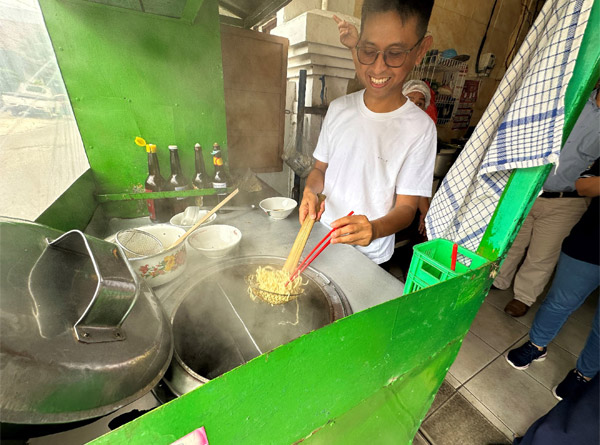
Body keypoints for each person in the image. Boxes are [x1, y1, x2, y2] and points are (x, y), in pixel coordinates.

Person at [299, 0, 436, 268]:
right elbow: (319, 170)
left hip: (370, 256)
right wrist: (310, 191)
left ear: (420, 51)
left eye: (395, 53)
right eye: (369, 50)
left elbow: (407, 209)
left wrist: (372, 229)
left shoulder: (420, 128)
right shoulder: (339, 108)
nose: (378, 67)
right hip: (322, 238)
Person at [493, 86, 600, 317]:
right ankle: (499, 280)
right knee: (512, 242)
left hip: (566, 199)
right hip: (528, 187)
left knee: (543, 254)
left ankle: (523, 296)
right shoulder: (574, 95)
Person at [506, 160, 599, 403]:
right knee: (558, 301)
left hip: (577, 226)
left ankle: (584, 375)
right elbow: (584, 185)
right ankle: (536, 346)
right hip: (590, 242)